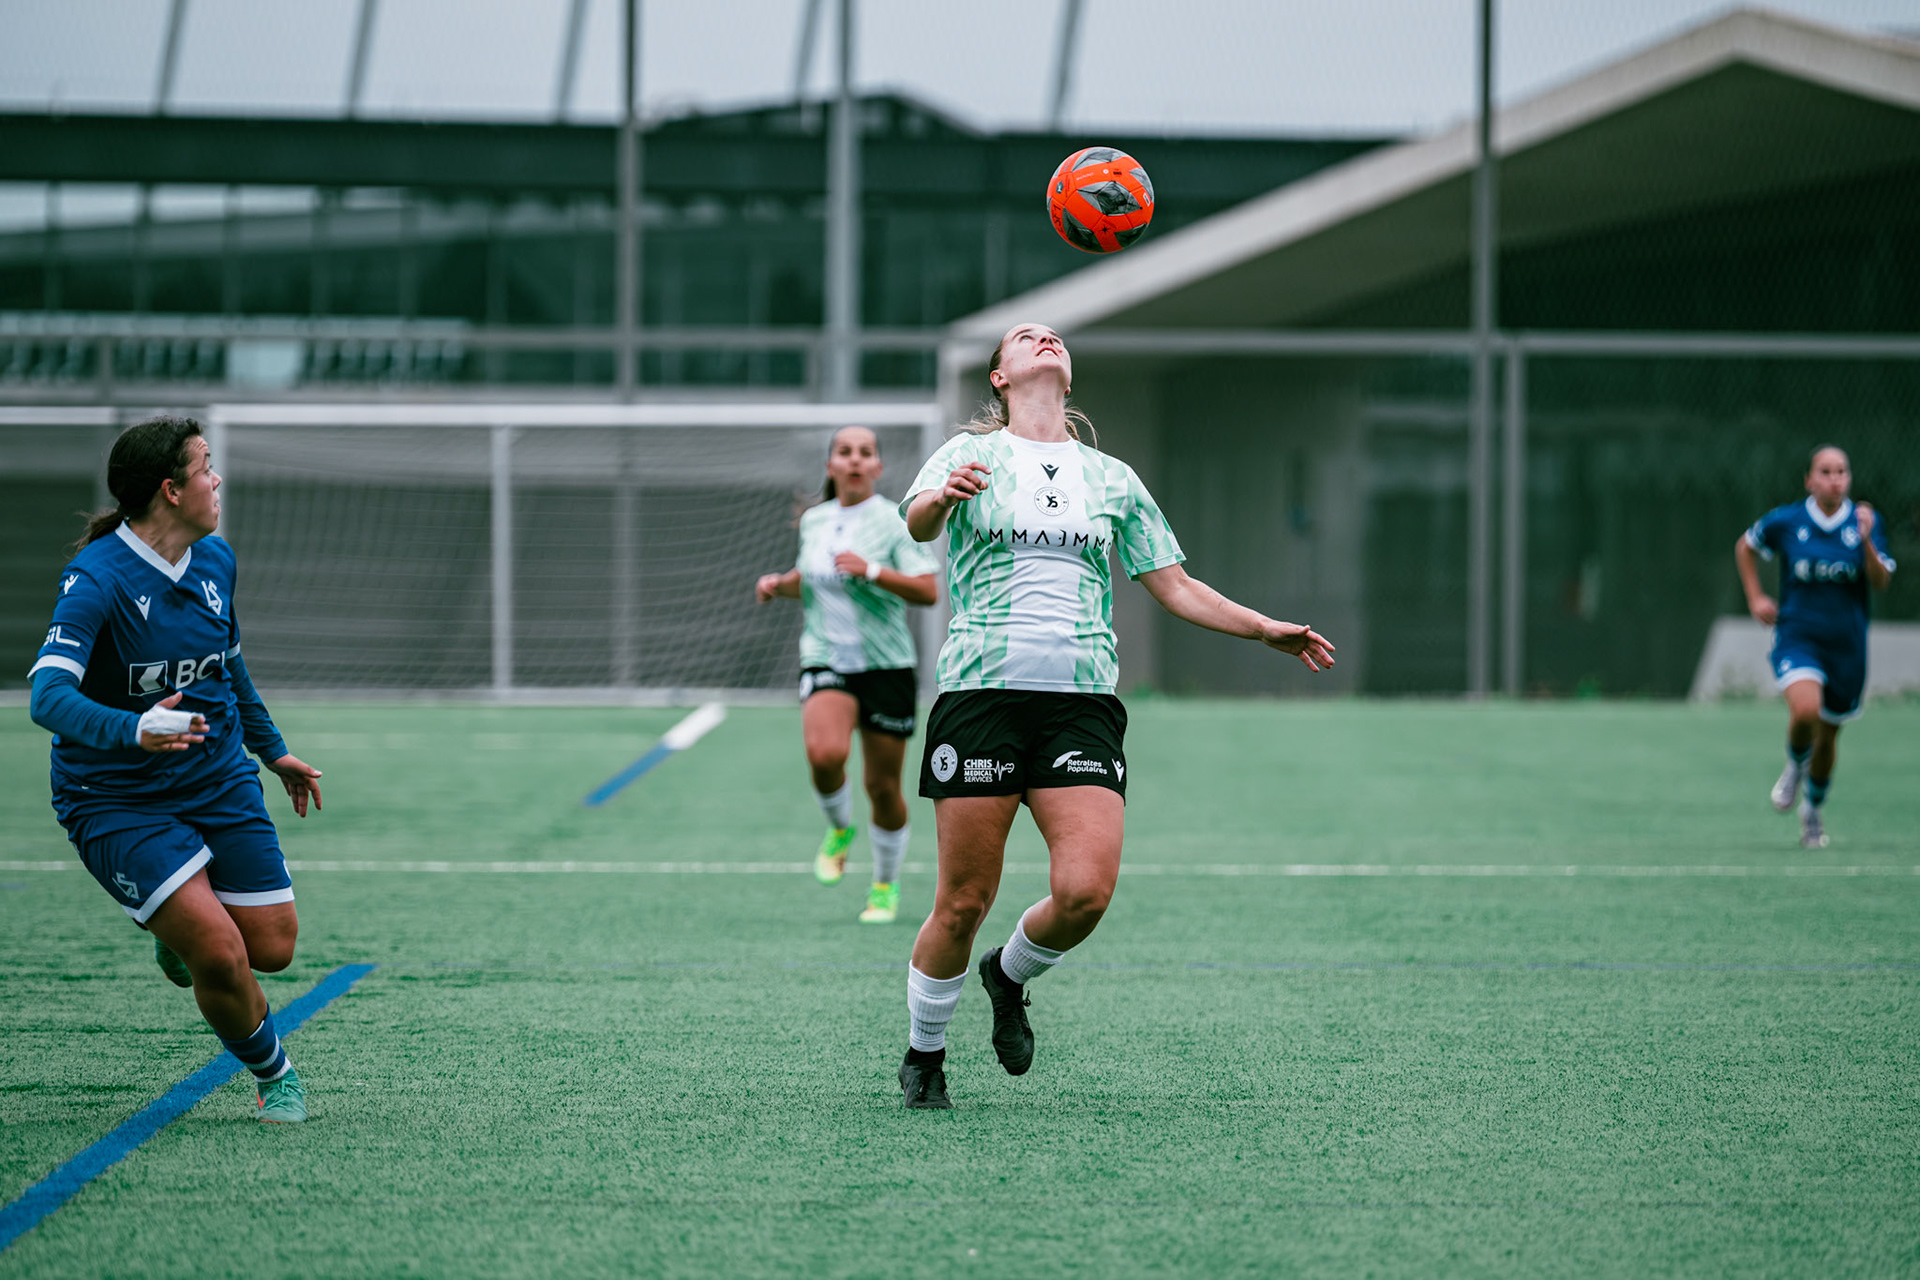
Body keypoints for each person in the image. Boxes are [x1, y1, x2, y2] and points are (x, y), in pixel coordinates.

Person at [891, 323, 1336, 1109]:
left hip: (1082, 705)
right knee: (962, 900)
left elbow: (1174, 584)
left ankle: (1008, 974)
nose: (1044, 339)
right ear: (999, 377)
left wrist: (1264, 627)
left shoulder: (1111, 478)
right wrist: (940, 496)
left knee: (1086, 893)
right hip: (980, 698)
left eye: (1054, 336)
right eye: (1025, 337)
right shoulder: (973, 458)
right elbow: (918, 526)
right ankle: (925, 1054)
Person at [27, 415, 325, 1122]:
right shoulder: (97, 580)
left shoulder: (216, 559)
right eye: (205, 467)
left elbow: (228, 662)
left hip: (217, 777)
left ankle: (173, 931)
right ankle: (275, 1073)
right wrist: (135, 728)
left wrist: (270, 749)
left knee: (274, 949)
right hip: (114, 798)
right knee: (221, 955)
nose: (216, 479)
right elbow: (47, 696)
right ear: (170, 489)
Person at [756, 426, 939, 923]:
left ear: (878, 467)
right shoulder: (815, 522)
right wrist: (780, 585)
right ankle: (839, 829)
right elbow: (813, 581)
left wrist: (872, 571)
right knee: (825, 754)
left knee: (882, 788)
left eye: (865, 453)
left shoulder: (893, 521)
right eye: (845, 452)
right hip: (826, 659)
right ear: (831, 465)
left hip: (886, 667)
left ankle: (884, 885)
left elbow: (927, 591)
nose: (855, 461)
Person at [1735, 444, 1894, 849]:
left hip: (1846, 647)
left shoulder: (1865, 524)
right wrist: (1755, 597)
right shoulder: (1788, 521)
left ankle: (1813, 811)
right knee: (1805, 710)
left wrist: (1867, 543)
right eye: (1825, 471)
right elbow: (1746, 547)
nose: (1834, 479)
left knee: (1829, 737)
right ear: (1809, 479)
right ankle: (1794, 765)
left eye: (1841, 471)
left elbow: (1880, 581)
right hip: (1798, 637)